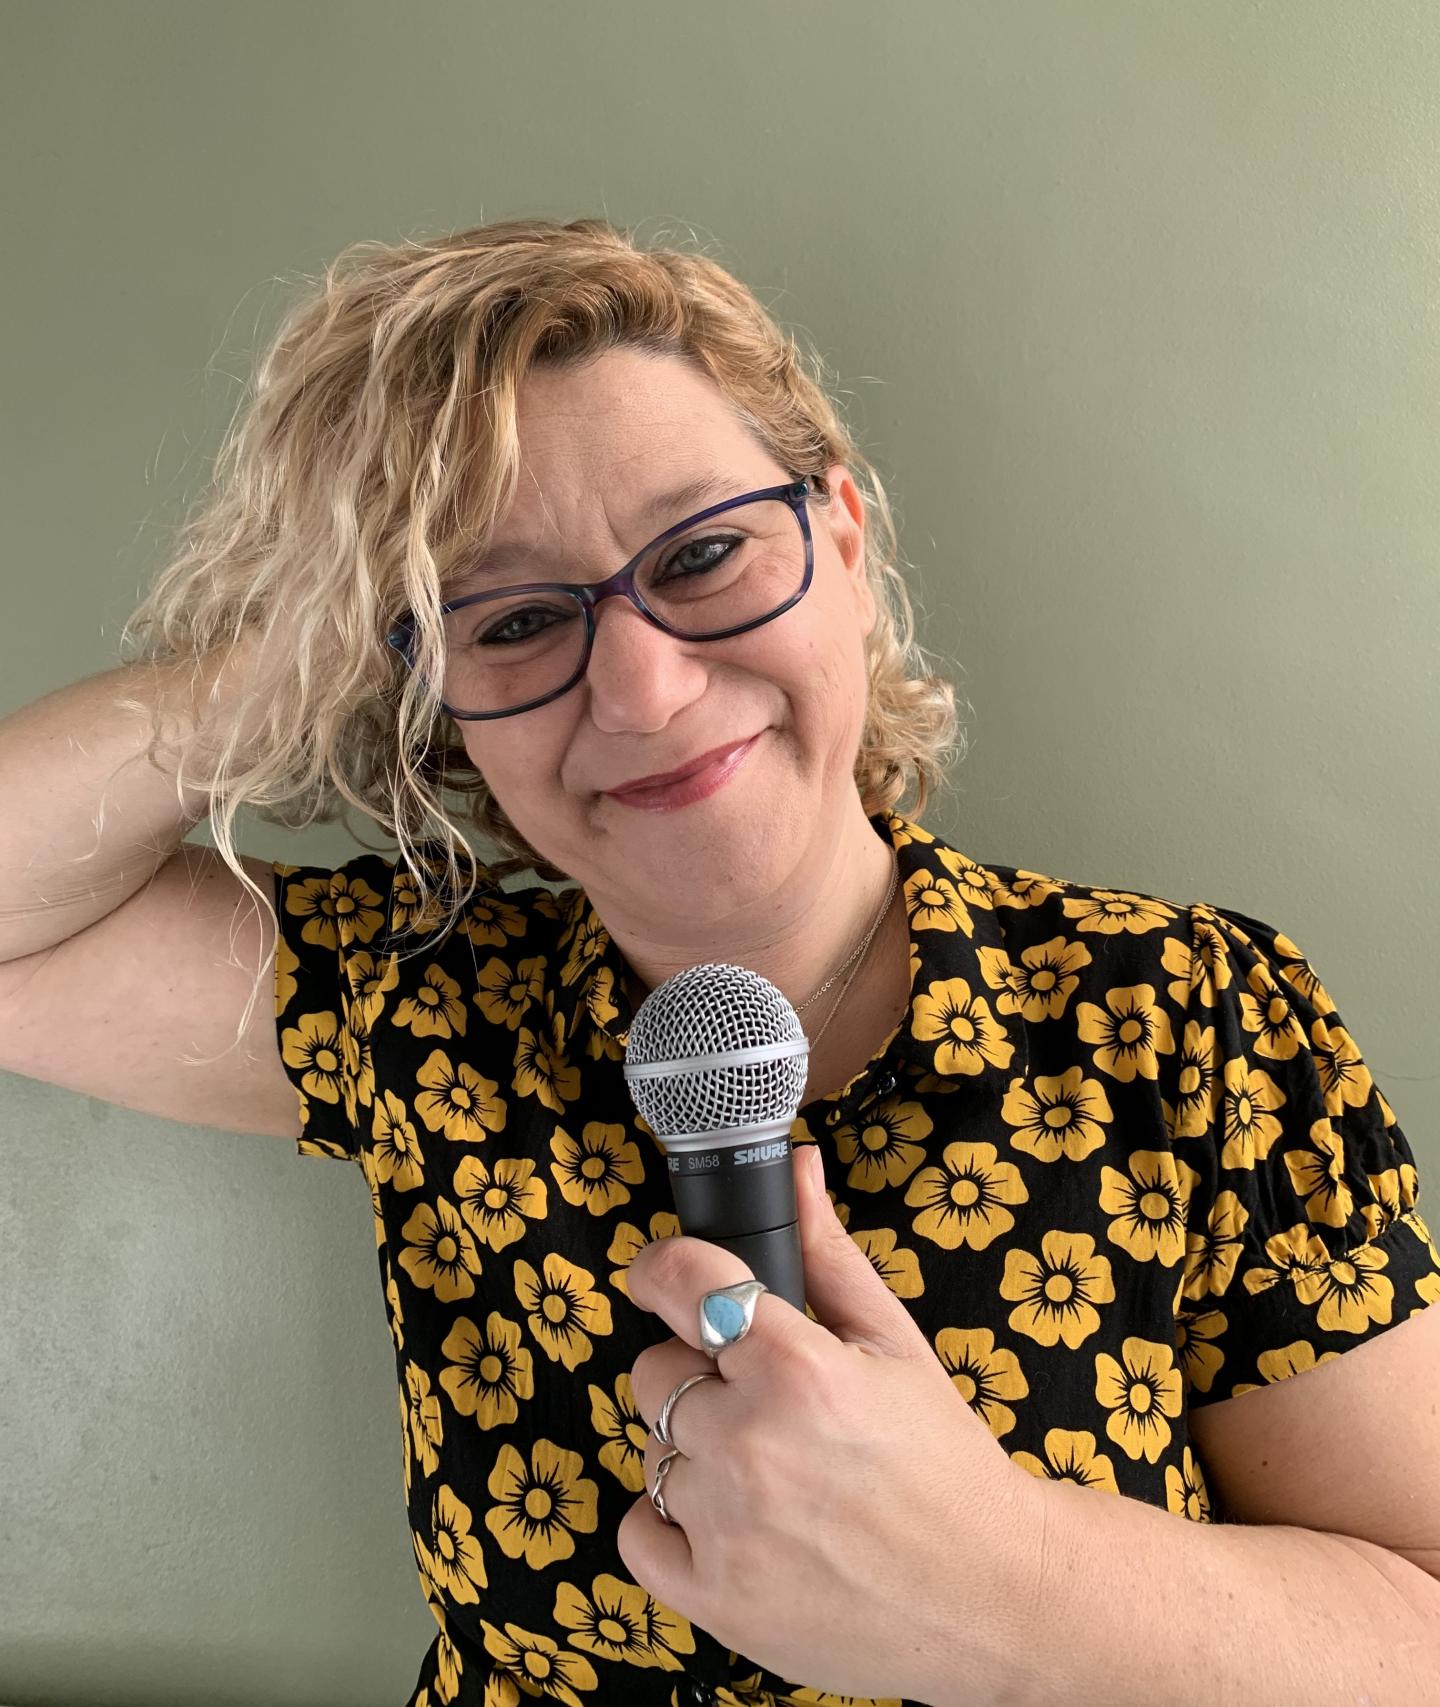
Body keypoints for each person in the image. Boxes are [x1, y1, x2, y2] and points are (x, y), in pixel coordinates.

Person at [2, 217, 1437, 1707]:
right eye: (511, 619)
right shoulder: (418, 1008)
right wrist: (297, 647)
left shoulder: (1187, 1017)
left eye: (701, 553)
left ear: (844, 542)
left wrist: (1011, 1583)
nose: (640, 685)